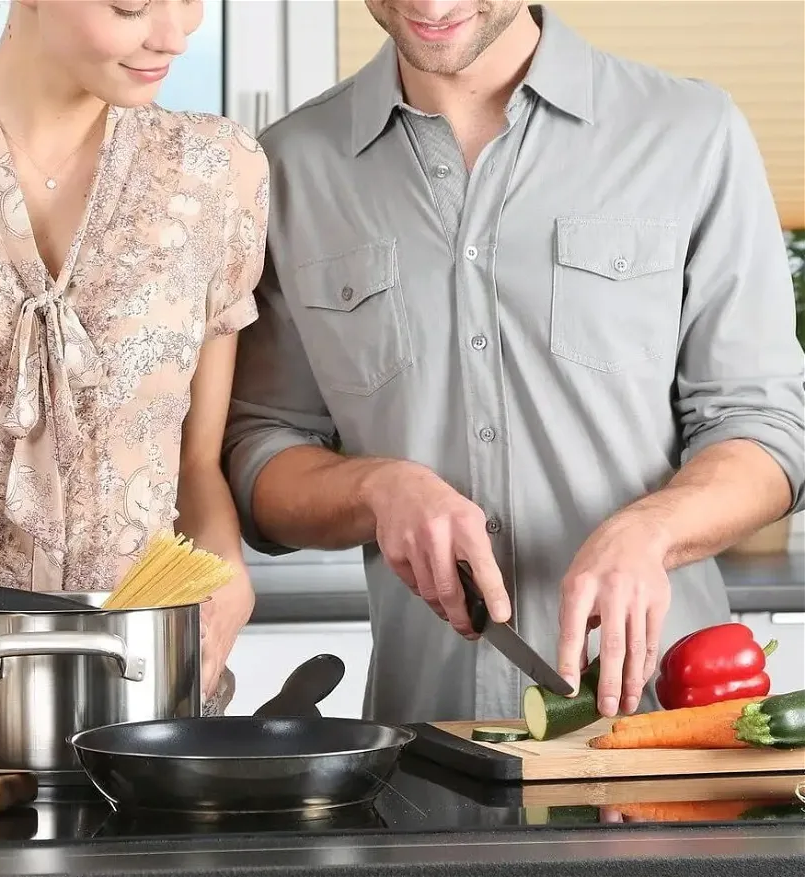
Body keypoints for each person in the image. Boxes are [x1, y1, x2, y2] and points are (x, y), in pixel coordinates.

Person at [223, 1, 805, 725]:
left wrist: (655, 528)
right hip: (428, 749)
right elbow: (257, 454)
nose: (431, 5)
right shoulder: (287, 167)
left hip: (676, 735)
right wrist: (377, 488)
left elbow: (764, 429)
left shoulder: (690, 134)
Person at [0, 0, 268, 748]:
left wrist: (226, 566)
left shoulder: (222, 173)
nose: (175, 34)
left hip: (147, 717)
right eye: (131, 5)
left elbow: (197, 462)